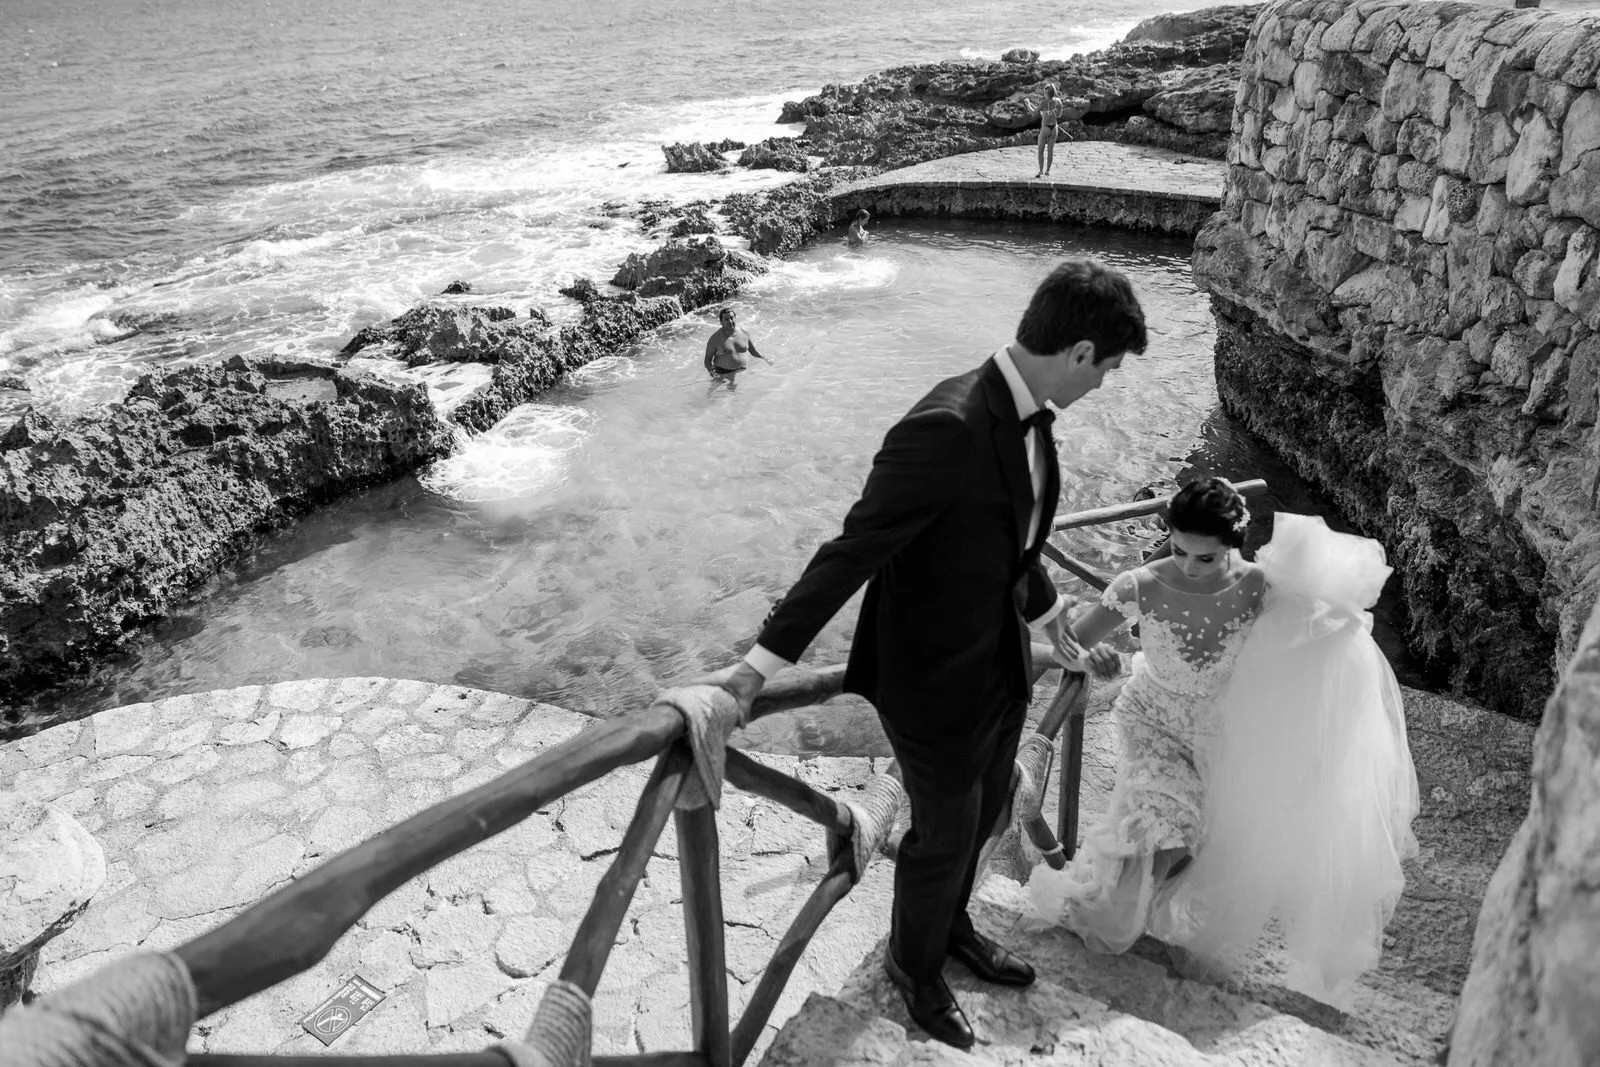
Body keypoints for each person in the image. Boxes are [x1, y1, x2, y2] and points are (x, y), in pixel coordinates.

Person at [709, 259, 1149, 1049]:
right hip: (931, 682)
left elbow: (1011, 544)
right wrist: (754, 671)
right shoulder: (946, 424)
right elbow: (851, 551)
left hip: (998, 664)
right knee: (941, 835)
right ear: (1080, 352)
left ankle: (952, 930)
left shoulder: (1028, 416)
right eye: (1109, 368)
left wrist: (1053, 620)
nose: (1105, 383)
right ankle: (913, 967)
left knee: (986, 810)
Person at [1028, 479, 1419, 1007]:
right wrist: (1087, 658)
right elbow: (1071, 644)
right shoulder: (1138, 586)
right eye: (1178, 550)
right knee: (1157, 821)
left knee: (1204, 842)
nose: (1189, 566)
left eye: (1205, 557)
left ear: (1234, 544)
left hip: (1225, 728)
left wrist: (1337, 635)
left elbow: (1311, 633)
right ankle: (1104, 915)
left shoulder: (1261, 587)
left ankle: (1144, 912)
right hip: (1153, 719)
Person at [703, 306, 771, 384]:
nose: (730, 321)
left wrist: (765, 358)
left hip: (742, 372)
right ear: (721, 322)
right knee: (714, 391)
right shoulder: (715, 339)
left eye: (732, 318)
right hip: (722, 373)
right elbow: (707, 360)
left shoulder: (744, 333)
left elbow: (753, 351)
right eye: (726, 319)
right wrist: (711, 372)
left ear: (735, 318)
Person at [1028, 84, 1071, 178]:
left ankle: (1041, 171)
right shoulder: (1058, 101)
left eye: (1044, 93)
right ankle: (1047, 170)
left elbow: (1034, 114)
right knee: (1050, 151)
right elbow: (1059, 115)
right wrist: (1048, 114)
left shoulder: (1044, 103)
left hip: (1045, 128)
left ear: (1047, 94)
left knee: (1040, 151)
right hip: (1054, 127)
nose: (1043, 94)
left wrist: (1028, 104)